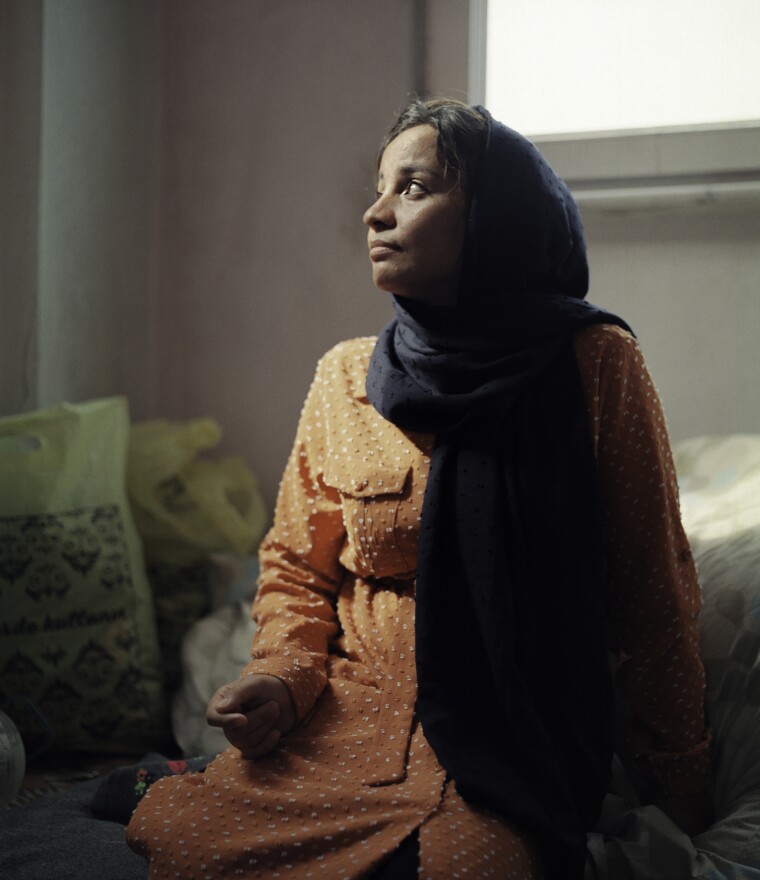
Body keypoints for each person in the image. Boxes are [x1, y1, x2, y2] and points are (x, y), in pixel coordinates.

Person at [127, 98, 711, 879]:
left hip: (505, 754)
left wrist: (685, 792)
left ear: (494, 216)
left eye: (414, 187)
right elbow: (298, 568)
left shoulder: (593, 364)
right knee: (180, 848)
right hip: (342, 734)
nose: (374, 213)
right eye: (379, 188)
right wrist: (279, 678)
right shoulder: (345, 378)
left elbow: (653, 590)